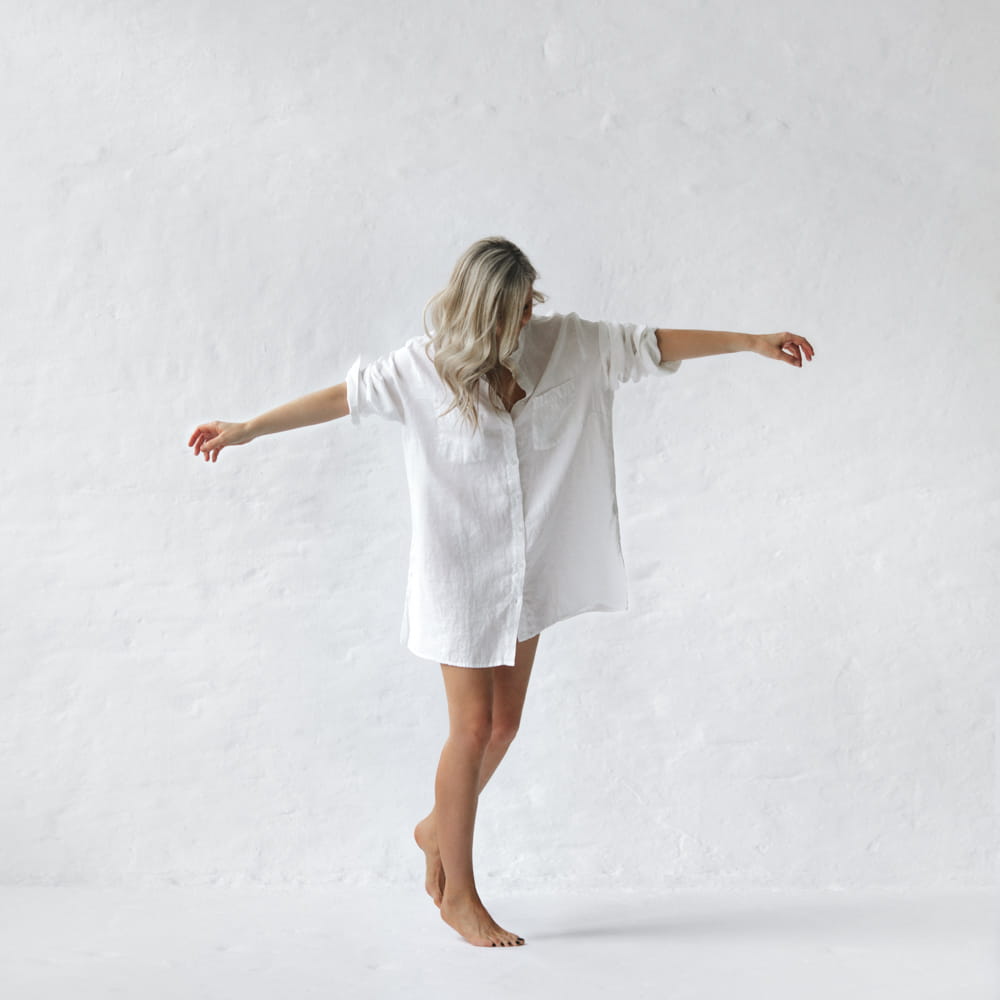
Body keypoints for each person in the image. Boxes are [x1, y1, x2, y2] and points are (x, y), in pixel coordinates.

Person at [188, 236, 815, 948]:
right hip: (458, 574)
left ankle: (437, 827)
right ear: (478, 310)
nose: (523, 322)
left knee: (505, 726)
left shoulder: (566, 344)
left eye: (526, 308)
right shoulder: (422, 367)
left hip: (525, 568)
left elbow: (650, 343)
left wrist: (750, 341)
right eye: (509, 313)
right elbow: (344, 396)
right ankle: (460, 896)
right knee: (471, 728)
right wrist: (247, 429)